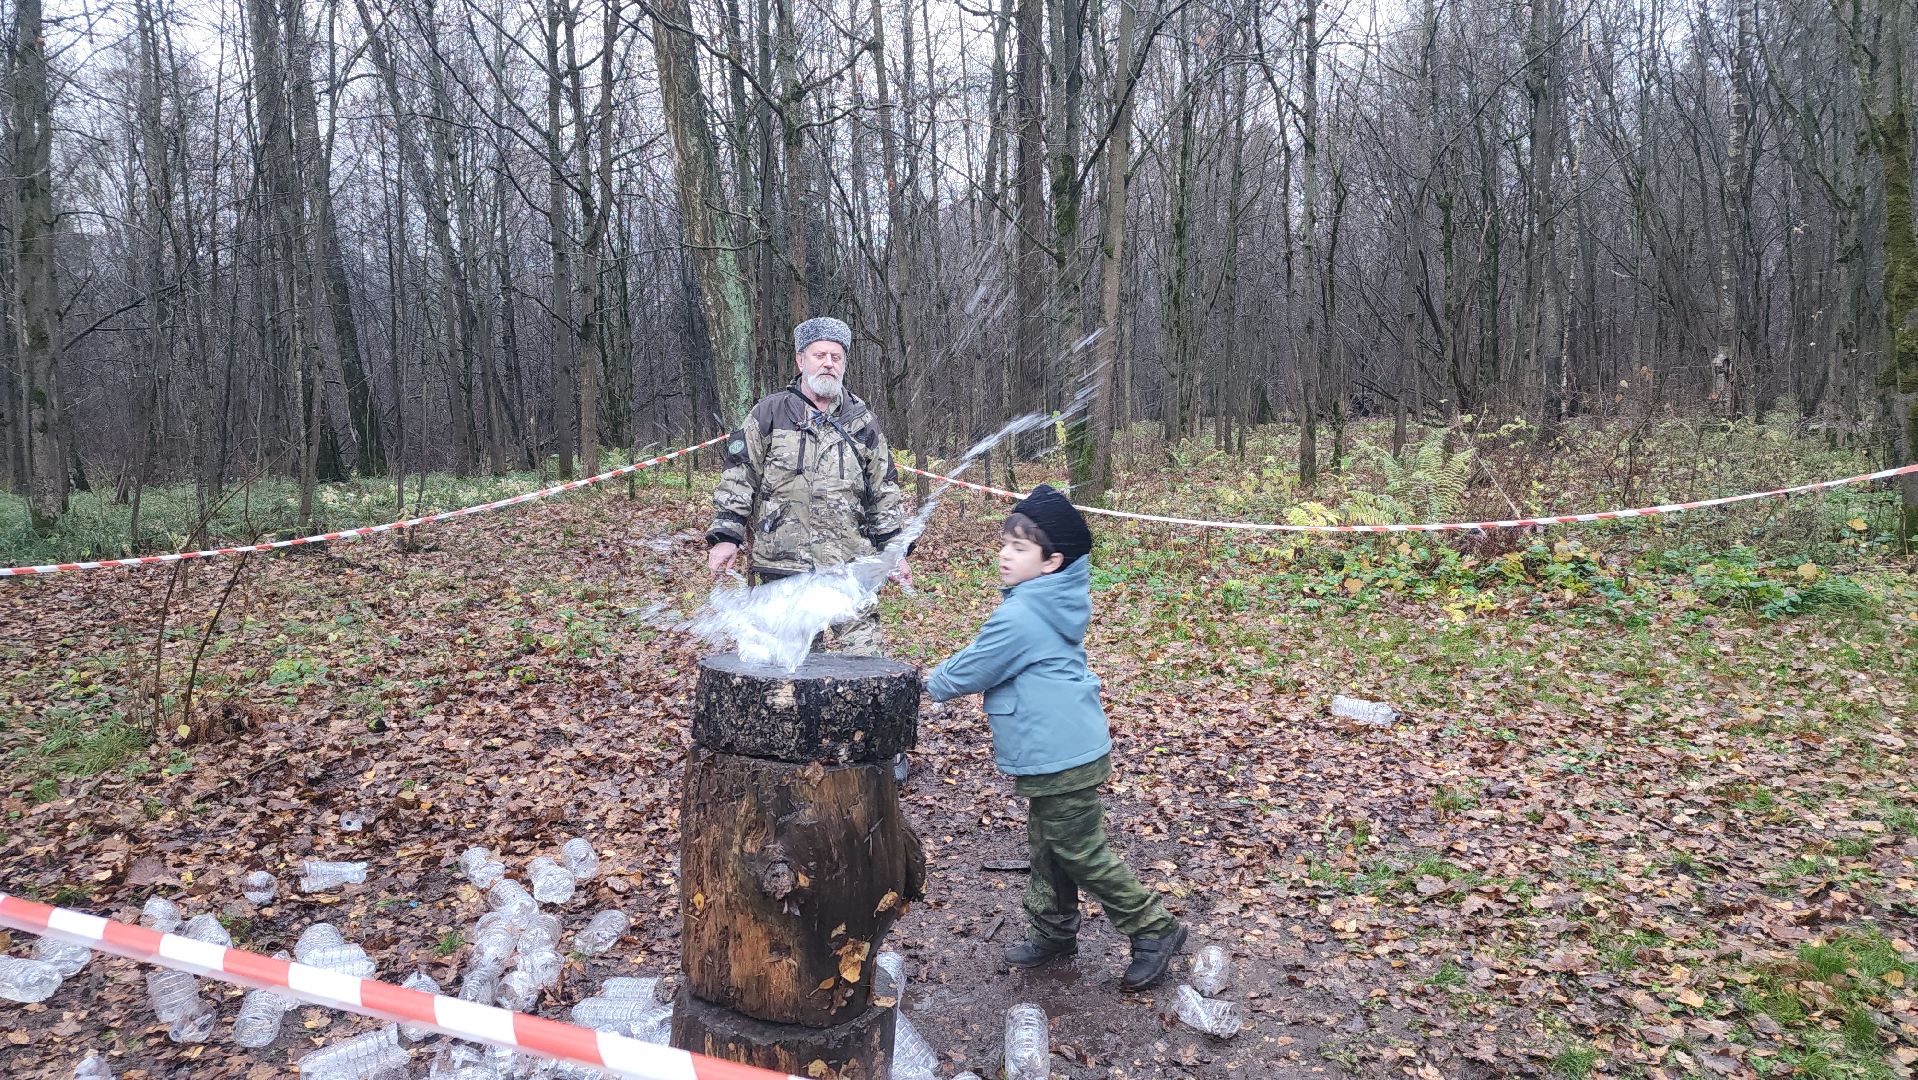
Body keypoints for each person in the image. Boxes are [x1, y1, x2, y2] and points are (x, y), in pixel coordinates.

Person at [925, 485, 1187, 990]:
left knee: (1079, 849)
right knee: (1049, 847)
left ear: (1052, 562)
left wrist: (926, 683)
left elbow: (976, 666)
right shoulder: (1048, 602)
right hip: (1059, 750)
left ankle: (1153, 928)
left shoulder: (1023, 615)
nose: (1005, 554)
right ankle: (1053, 933)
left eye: (1019, 547)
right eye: (1004, 543)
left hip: (1060, 753)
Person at [705, 316, 908, 654]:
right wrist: (727, 536)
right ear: (801, 360)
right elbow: (739, 477)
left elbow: (884, 490)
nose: (828, 363)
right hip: (783, 568)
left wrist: (895, 552)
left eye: (836, 357)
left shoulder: (862, 421)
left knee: (865, 664)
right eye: (820, 355)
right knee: (790, 669)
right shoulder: (768, 414)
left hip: (848, 569)